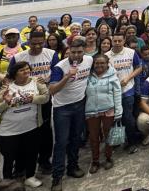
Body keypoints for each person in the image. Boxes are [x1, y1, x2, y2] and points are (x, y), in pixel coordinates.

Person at [0, 60, 50, 188]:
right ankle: (6, 183)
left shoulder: (36, 82)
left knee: (32, 153)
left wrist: (33, 99)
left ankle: (30, 176)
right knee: (8, 158)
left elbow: (46, 97)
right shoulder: (7, 87)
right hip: (9, 131)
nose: (26, 72)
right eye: (22, 70)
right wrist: (6, 103)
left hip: (31, 127)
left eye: (27, 69)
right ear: (15, 73)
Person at [10, 30, 58, 175]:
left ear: (44, 41)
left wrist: (48, 81)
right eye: (34, 43)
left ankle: (44, 160)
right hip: (24, 100)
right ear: (28, 42)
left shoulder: (51, 54)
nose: (37, 46)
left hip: (43, 99)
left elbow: (56, 72)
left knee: (45, 130)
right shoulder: (18, 57)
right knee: (24, 131)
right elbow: (11, 76)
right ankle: (21, 164)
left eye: (40, 43)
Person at [48, 37, 92, 191]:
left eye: (79, 52)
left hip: (80, 105)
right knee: (61, 142)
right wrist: (67, 76)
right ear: (68, 51)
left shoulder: (89, 60)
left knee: (75, 139)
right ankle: (57, 178)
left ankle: (73, 167)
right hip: (62, 108)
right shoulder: (60, 67)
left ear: (84, 50)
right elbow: (52, 90)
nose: (76, 55)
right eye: (73, 52)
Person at [83, 54, 122, 174]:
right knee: (94, 138)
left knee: (108, 136)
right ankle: (95, 161)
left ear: (107, 64)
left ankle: (109, 158)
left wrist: (118, 111)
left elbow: (117, 94)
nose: (99, 65)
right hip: (91, 112)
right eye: (96, 63)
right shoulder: (87, 77)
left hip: (108, 110)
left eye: (102, 63)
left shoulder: (112, 77)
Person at [106, 33, 142, 152]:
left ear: (124, 40)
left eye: (119, 41)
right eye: (115, 41)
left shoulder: (131, 53)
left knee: (128, 118)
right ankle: (117, 141)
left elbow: (139, 68)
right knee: (114, 118)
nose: (117, 43)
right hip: (112, 93)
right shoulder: (106, 56)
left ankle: (132, 143)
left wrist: (128, 78)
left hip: (128, 91)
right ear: (111, 41)